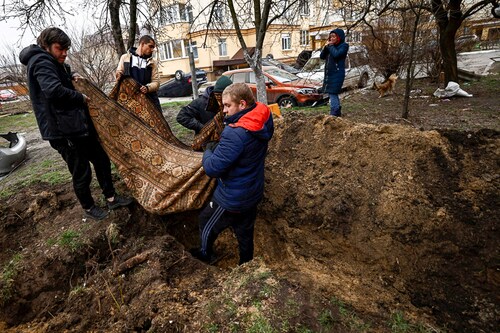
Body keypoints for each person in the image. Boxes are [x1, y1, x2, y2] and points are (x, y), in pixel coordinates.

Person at [19, 27, 133, 221]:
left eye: (66, 49)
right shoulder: (41, 61)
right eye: (60, 48)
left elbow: (60, 80)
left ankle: (111, 198)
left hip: (74, 125)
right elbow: (53, 90)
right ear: (46, 46)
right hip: (62, 131)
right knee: (81, 170)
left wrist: (71, 76)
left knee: (101, 159)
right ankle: (88, 207)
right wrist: (80, 97)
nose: (64, 53)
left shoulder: (52, 61)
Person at [191, 83, 274, 265]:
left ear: (243, 104)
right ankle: (246, 264)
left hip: (231, 198)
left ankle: (204, 255)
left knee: (206, 221)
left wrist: (208, 151)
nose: (224, 111)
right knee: (245, 232)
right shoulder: (263, 116)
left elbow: (212, 168)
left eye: (228, 106)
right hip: (252, 192)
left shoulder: (235, 133)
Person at [116, 35, 162, 111]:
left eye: (153, 47)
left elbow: (156, 82)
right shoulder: (125, 58)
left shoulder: (152, 63)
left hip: (149, 100)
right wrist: (119, 74)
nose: (152, 50)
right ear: (142, 44)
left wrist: (147, 88)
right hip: (131, 100)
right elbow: (119, 73)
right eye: (150, 46)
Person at [320, 28, 349, 117]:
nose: (332, 38)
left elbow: (336, 54)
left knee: (333, 93)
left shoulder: (344, 46)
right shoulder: (330, 47)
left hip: (337, 73)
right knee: (332, 93)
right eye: (331, 36)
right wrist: (326, 47)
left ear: (339, 37)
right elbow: (322, 56)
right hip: (330, 74)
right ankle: (337, 112)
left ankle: (334, 113)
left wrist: (331, 46)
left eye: (334, 36)